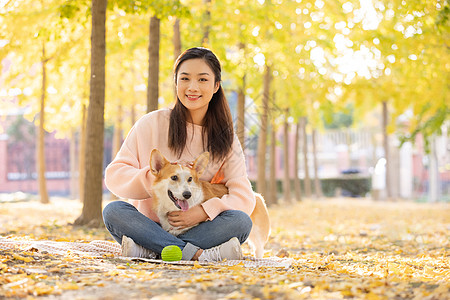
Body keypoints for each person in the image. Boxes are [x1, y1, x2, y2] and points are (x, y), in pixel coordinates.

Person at [102, 47, 256, 262]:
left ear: (216, 86)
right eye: (185, 78)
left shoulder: (226, 139)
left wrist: (203, 212)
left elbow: (244, 197)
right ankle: (194, 254)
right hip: (149, 225)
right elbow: (114, 176)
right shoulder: (151, 123)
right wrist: (153, 178)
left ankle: (153, 250)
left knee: (240, 221)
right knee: (114, 211)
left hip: (198, 227)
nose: (192, 87)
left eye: (202, 80)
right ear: (176, 83)